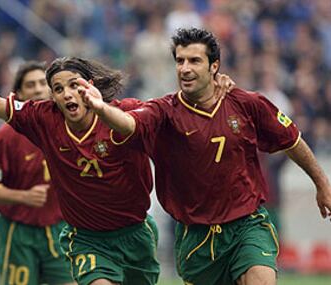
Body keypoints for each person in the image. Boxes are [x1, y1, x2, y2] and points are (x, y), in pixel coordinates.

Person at [77, 27, 331, 285]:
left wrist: (322, 183)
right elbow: (130, 124)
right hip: (196, 238)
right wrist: (101, 108)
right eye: (180, 61)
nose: (185, 68)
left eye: (195, 60)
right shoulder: (164, 112)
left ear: (214, 66)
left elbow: (292, 139)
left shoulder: (247, 104)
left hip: (247, 225)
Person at [0, 28, 160, 285]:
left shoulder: (125, 113)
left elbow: (167, 115)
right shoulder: (43, 118)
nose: (66, 93)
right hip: (87, 238)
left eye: (73, 85)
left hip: (134, 232)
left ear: (90, 86)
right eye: (58, 88)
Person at [0, 61, 75, 285]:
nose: (38, 89)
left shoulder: (70, 127)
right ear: (19, 94)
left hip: (59, 228)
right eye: (30, 85)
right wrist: (24, 196)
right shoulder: (5, 137)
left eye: (43, 83)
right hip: (18, 230)